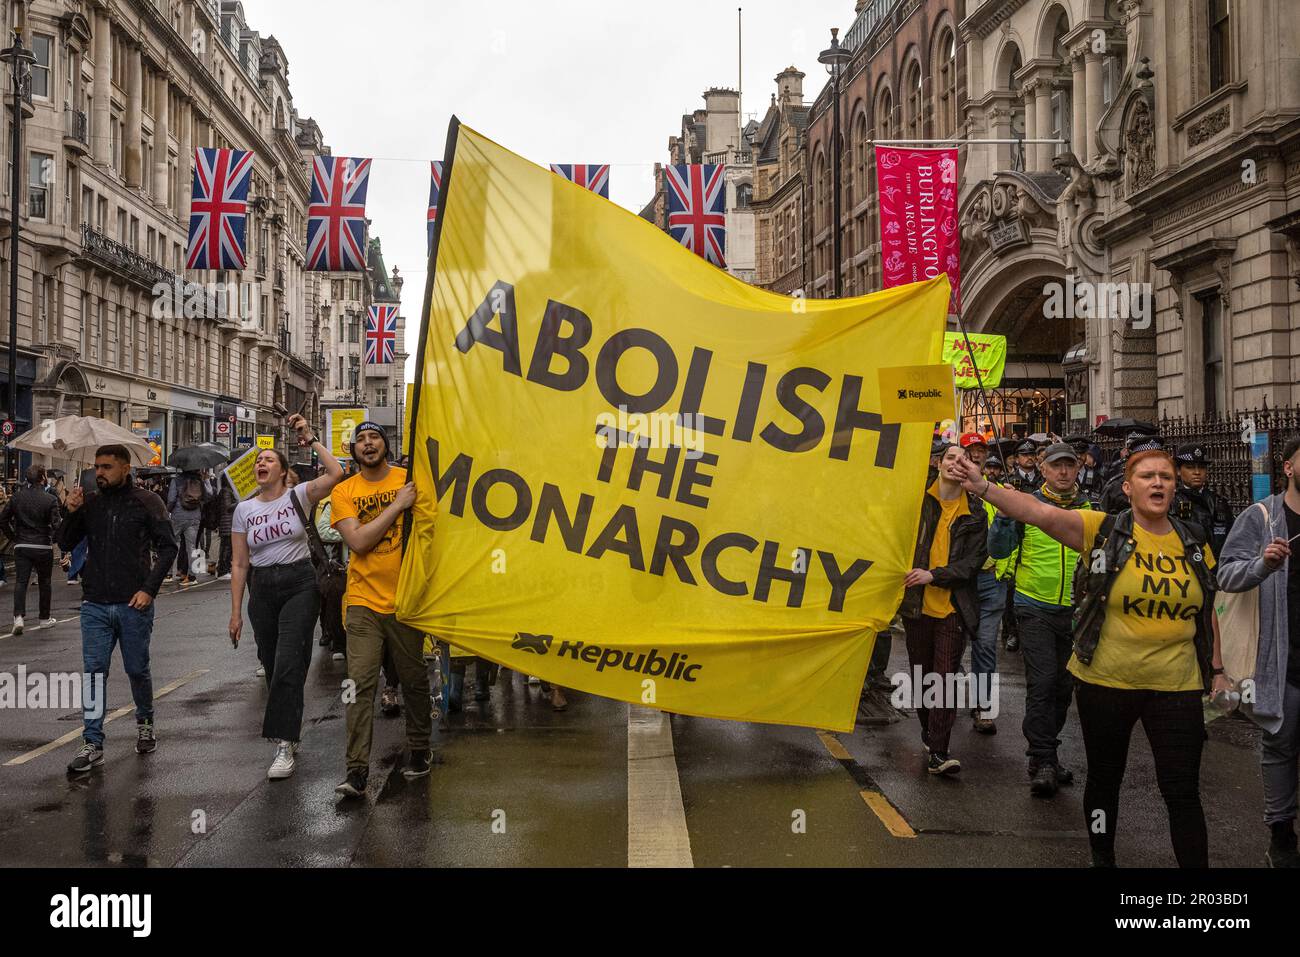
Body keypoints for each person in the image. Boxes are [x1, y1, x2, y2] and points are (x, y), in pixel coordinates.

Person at [953, 446, 1225, 867]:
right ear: (1128, 487)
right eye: (1148, 476)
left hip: (1177, 686)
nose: (1158, 483)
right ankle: (1102, 856)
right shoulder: (1103, 530)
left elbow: (1210, 609)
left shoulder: (1192, 540)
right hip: (1106, 682)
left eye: (1166, 477)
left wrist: (1220, 670)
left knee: (1183, 791)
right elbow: (1035, 512)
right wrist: (983, 486)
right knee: (1104, 782)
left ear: (1174, 487)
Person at [229, 415, 344, 780]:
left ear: (283, 471)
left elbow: (336, 473)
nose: (261, 463)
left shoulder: (299, 496)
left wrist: (309, 439)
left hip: (298, 583)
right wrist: (235, 614)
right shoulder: (244, 509)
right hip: (261, 588)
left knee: (291, 661)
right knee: (272, 662)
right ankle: (288, 730)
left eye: (269, 461)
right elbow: (239, 563)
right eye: (259, 461)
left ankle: (283, 742)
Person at [59, 445, 179, 774]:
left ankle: (145, 722)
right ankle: (93, 741)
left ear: (125, 468)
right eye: (97, 466)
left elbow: (169, 548)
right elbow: (66, 542)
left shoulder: (147, 502)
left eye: (107, 467)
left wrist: (148, 590)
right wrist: (70, 510)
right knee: (94, 673)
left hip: (133, 603)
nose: (100, 472)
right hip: (95, 604)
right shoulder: (91, 502)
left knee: (137, 669)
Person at [330, 422, 432, 798]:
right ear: (353, 450)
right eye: (361, 439)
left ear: (386, 445)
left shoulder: (411, 479)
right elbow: (358, 541)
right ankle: (356, 769)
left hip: (407, 599)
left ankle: (420, 748)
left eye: (374, 438)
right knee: (358, 683)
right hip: (362, 602)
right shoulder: (345, 491)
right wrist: (397, 505)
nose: (368, 444)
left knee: (414, 678)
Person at [988, 443, 1094, 796]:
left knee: (1065, 687)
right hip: (1033, 606)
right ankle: (1043, 759)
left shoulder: (1089, 508)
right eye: (1056, 466)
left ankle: (1047, 752)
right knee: (1044, 681)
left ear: (1077, 469)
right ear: (1043, 469)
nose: (1063, 472)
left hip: (1076, 612)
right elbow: (999, 551)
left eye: (1069, 466)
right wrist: (1005, 516)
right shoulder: (1027, 505)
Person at [1216, 435, 1300, 867]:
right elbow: (1226, 576)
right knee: (1281, 746)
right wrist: (1263, 564)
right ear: (1288, 467)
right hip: (1282, 659)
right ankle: (1282, 835)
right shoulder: (1262, 517)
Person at [898, 443, 989, 776]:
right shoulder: (917, 500)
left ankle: (939, 751)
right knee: (922, 677)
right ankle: (928, 731)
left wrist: (933, 575)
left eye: (963, 459)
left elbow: (972, 563)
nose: (956, 463)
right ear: (938, 463)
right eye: (950, 457)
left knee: (945, 678)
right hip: (917, 606)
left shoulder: (976, 512)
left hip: (953, 607)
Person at [0, 464, 62, 634]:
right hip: (42, 544)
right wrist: (53, 538)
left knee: (21, 581)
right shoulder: (50, 499)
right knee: (45, 582)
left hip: (22, 544)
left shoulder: (16, 498)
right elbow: (57, 524)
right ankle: (44, 618)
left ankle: (18, 616)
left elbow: (3, 519)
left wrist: (14, 537)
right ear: (43, 478)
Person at [1172, 443, 1235, 558]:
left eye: (1201, 467)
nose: (1197, 472)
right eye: (1190, 467)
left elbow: (1232, 537)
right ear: (1178, 471)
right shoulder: (1172, 502)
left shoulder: (1218, 501)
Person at [166, 468, 210, 586]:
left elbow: (171, 499)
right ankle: (192, 577)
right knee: (192, 547)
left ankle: (168, 574)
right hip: (195, 516)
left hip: (178, 515)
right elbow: (207, 496)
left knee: (172, 543)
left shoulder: (176, 480)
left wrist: (167, 512)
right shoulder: (199, 481)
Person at [1099, 433, 1162, 514]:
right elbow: (1102, 519)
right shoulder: (1115, 487)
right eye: (1145, 460)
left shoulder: (1168, 485)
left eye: (1157, 459)